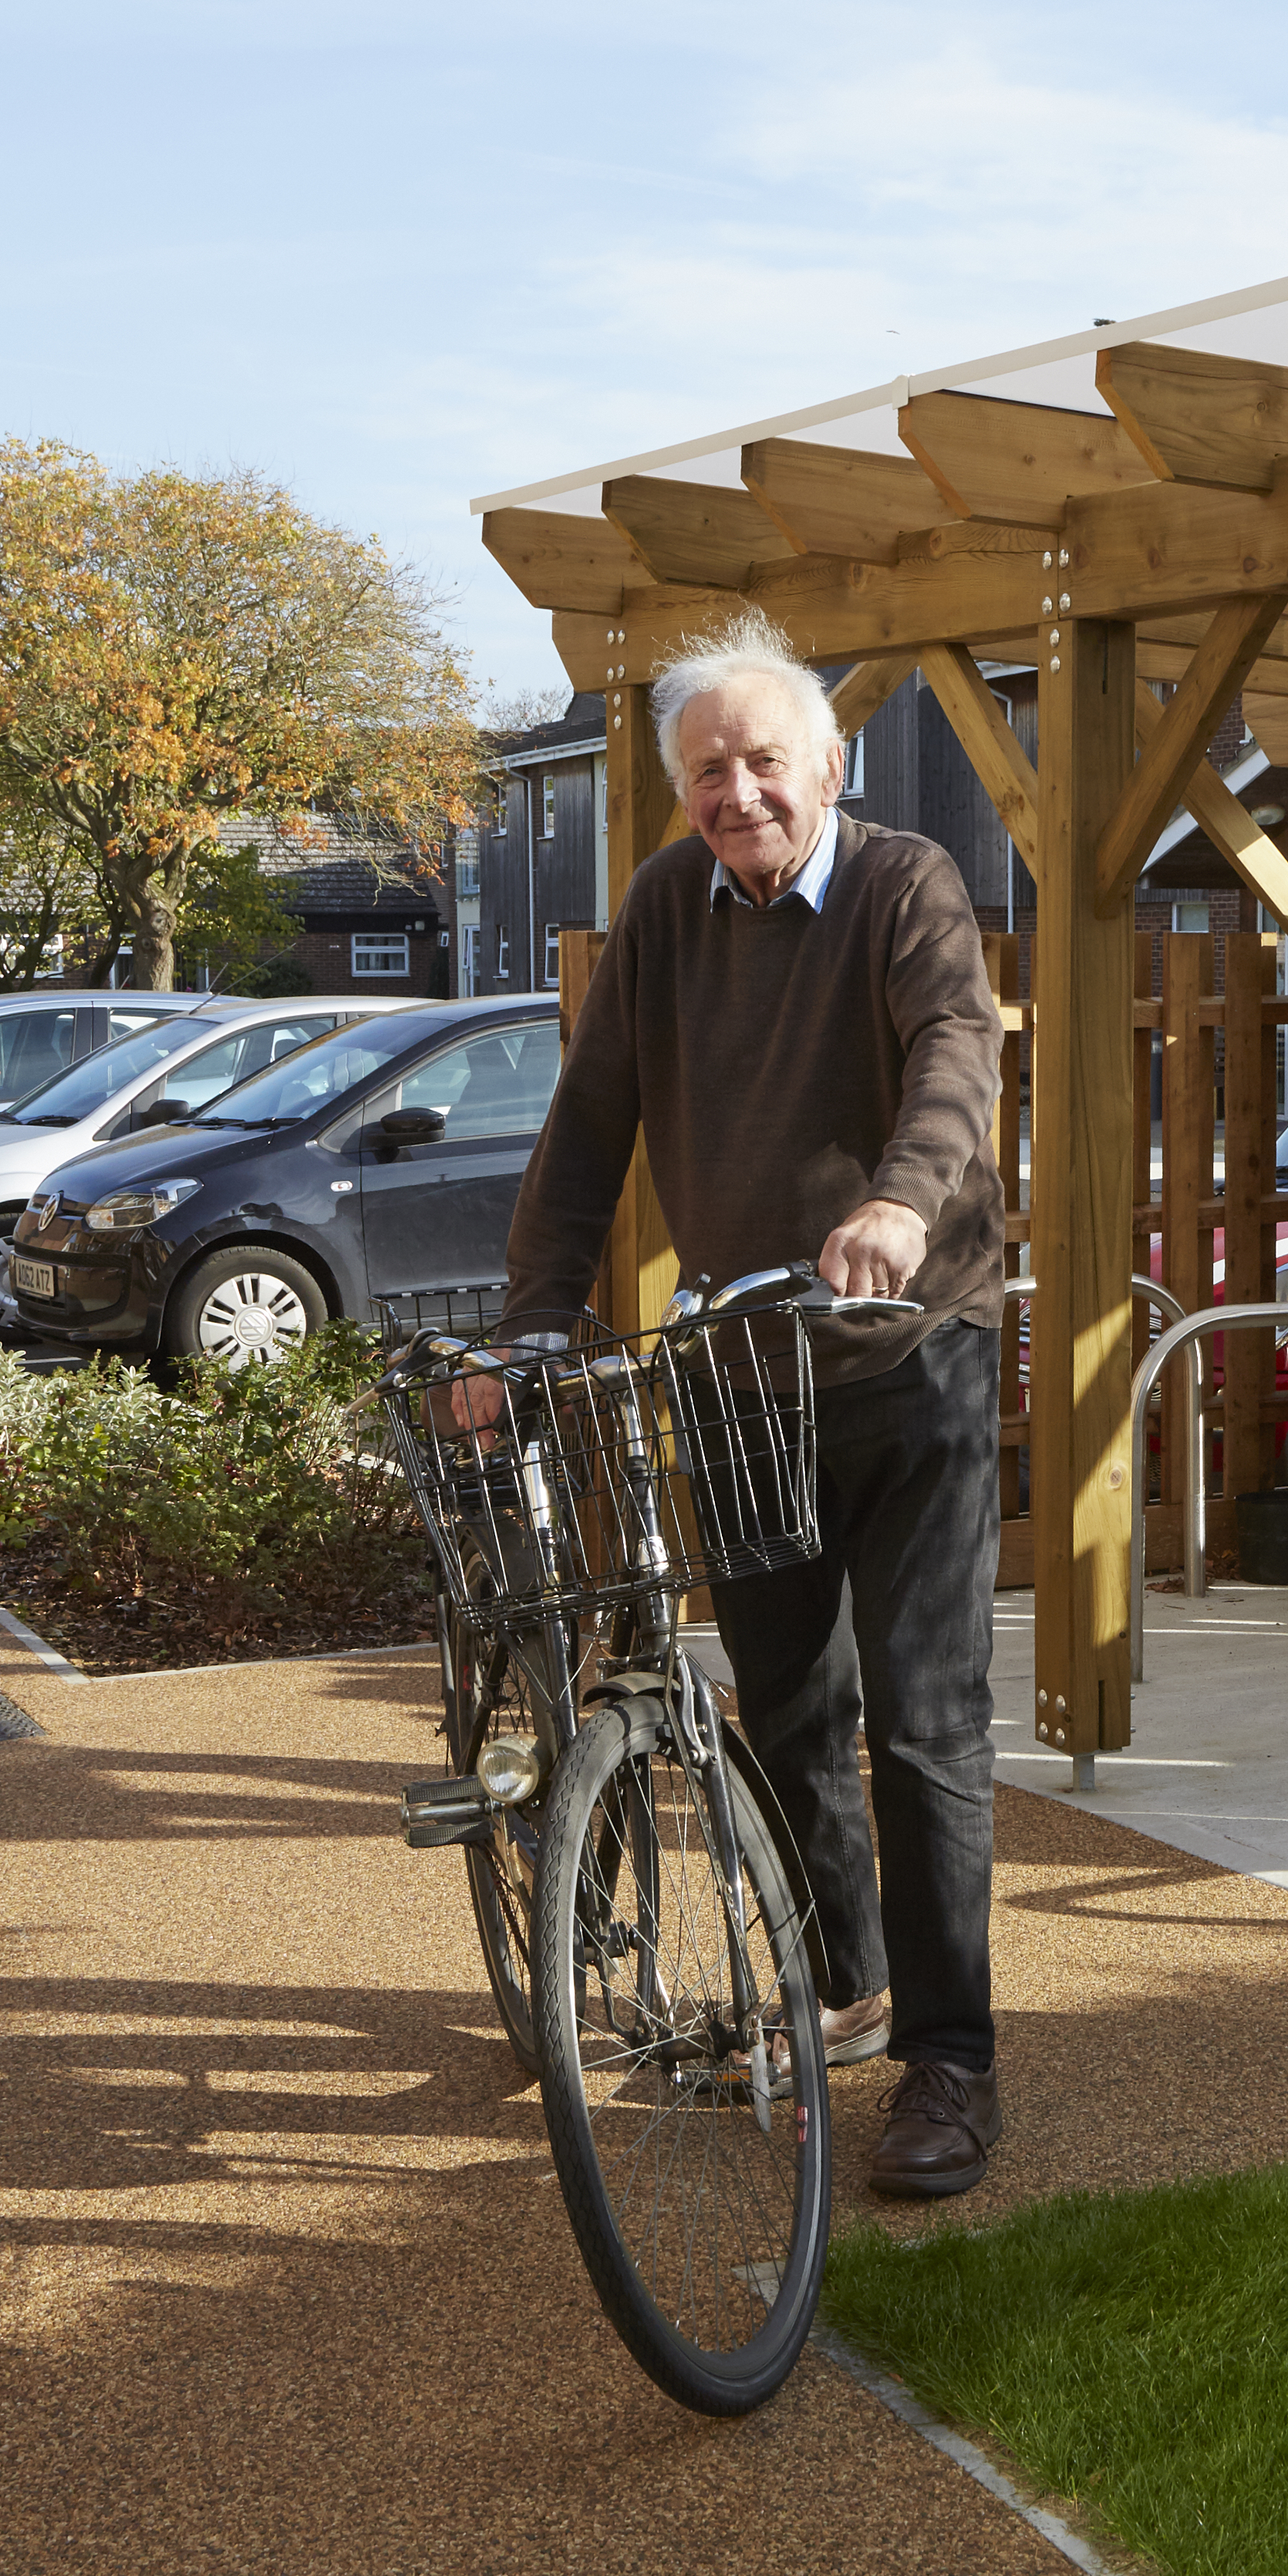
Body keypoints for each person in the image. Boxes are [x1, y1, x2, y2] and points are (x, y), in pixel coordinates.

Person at [497, 612, 1010, 2197]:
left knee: (923, 1725)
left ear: (826, 767)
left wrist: (905, 1205)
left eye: (763, 760)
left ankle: (954, 2060)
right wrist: (526, 1325)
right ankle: (845, 1983)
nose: (738, 791)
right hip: (739, 1369)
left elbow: (952, 1052)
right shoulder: (663, 910)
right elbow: (590, 1124)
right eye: (706, 770)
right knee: (786, 1710)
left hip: (903, 1349)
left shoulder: (904, 884)